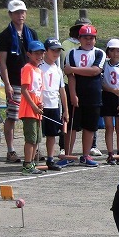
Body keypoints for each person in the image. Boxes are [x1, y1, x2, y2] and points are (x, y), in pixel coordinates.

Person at [0, 0, 38, 164]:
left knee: (33, 116)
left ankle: (33, 149)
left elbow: (38, 58)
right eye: (16, 12)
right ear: (10, 14)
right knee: (13, 117)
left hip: (31, 82)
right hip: (14, 81)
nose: (20, 15)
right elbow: (3, 62)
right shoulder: (5, 35)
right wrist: (6, 84)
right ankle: (10, 150)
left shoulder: (32, 33)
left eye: (22, 12)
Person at [64, 24, 106, 167]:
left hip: (93, 94)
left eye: (91, 38)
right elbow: (70, 76)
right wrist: (73, 94)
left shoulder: (99, 53)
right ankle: (68, 154)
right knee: (72, 126)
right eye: (85, 38)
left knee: (90, 127)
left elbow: (95, 70)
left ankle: (85, 155)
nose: (88, 41)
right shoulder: (71, 53)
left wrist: (74, 69)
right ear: (79, 38)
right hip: (77, 93)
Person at [39, 38, 70, 171]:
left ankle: (50, 159)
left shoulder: (57, 69)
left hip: (53, 105)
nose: (56, 53)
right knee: (38, 134)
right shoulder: (39, 67)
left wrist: (65, 109)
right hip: (41, 105)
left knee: (52, 134)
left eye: (58, 50)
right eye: (53, 50)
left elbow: (62, 90)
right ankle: (32, 159)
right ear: (45, 51)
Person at [101, 38, 119, 165]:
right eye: (112, 50)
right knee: (109, 127)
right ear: (108, 52)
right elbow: (101, 83)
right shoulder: (104, 65)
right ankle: (110, 154)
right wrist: (112, 90)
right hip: (108, 96)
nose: (116, 53)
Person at [18, 40, 45, 175]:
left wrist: (40, 104)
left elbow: (38, 91)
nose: (39, 56)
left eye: (41, 53)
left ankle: (32, 163)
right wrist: (34, 106)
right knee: (30, 137)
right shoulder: (28, 68)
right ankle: (27, 164)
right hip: (29, 109)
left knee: (36, 138)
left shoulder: (39, 70)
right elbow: (25, 90)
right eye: (36, 53)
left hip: (36, 109)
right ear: (29, 54)